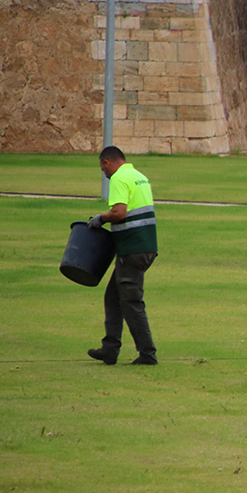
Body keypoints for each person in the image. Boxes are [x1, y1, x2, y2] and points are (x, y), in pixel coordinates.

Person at [86, 146, 159, 365]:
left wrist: (101, 218)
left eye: (102, 169)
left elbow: (119, 212)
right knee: (113, 297)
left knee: (131, 302)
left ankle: (147, 355)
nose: (104, 175)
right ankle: (110, 349)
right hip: (146, 247)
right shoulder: (139, 177)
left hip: (132, 250)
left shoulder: (118, 178)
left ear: (107, 162)